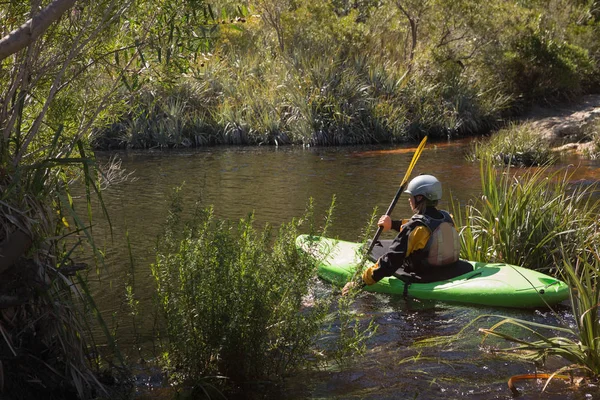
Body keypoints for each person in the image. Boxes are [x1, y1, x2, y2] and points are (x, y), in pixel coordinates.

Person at [342, 174, 462, 295]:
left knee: (373, 247)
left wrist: (359, 282)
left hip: (425, 274)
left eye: (411, 196)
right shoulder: (447, 217)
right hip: (450, 268)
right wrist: (392, 224)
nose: (409, 200)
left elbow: (390, 262)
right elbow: (419, 229)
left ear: (419, 198)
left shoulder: (416, 227)